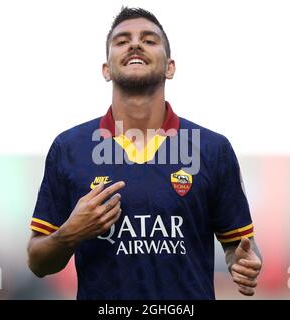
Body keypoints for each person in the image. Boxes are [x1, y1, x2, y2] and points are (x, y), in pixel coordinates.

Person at [27, 6, 262, 299]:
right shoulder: (69, 148)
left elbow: (238, 246)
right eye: (122, 40)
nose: (135, 44)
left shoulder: (212, 149)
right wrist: (70, 233)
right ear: (106, 69)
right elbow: (37, 261)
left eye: (149, 40)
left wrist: (244, 262)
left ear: (170, 67)